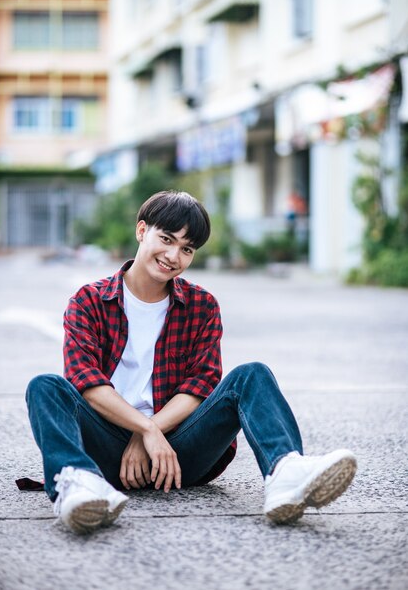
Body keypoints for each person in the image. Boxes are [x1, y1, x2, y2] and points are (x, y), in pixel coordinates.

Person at [26, 190, 357, 535]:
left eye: (186, 248)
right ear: (142, 231)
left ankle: (285, 473)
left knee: (252, 375)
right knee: (45, 386)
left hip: (179, 452)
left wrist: (153, 432)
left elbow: (201, 384)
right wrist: (144, 429)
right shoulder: (89, 301)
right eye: (166, 239)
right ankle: (79, 485)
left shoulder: (201, 306)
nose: (173, 256)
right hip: (105, 449)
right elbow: (88, 383)